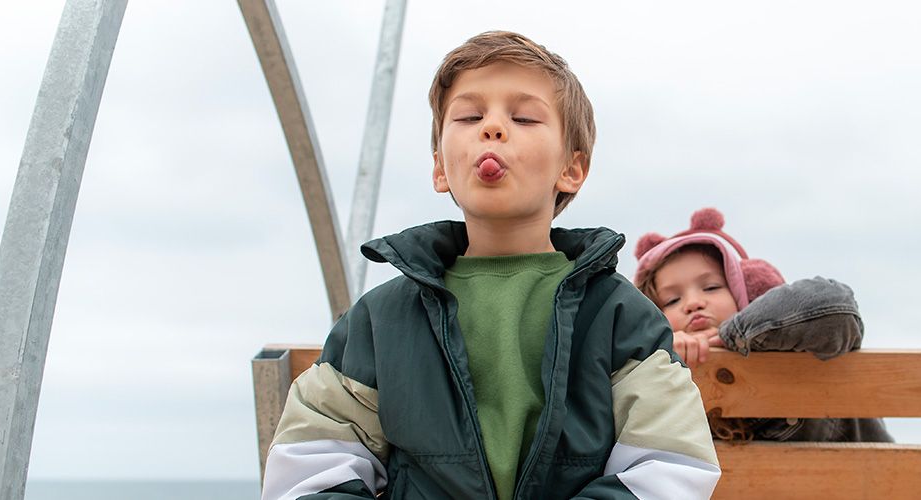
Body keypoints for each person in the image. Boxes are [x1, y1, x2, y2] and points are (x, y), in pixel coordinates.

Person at [261, 32, 719, 500]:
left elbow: (668, 465)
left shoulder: (619, 314)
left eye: (522, 117)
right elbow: (311, 464)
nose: (493, 127)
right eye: (469, 116)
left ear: (572, 168)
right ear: (440, 167)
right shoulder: (380, 320)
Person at [633, 207, 892, 443]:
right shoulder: (660, 393)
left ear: (749, 291)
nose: (693, 303)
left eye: (711, 287)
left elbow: (837, 306)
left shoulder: (795, 349)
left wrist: (733, 335)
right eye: (672, 299)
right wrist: (662, 352)